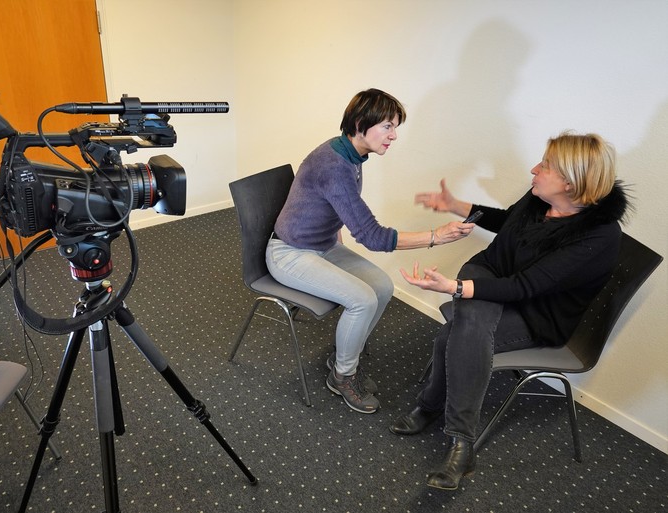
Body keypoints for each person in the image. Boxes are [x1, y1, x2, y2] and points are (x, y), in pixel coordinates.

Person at [392, 132, 630, 490]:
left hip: (536, 313)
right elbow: (508, 223)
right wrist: (457, 205)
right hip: (487, 273)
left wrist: (454, 288)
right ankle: (459, 442)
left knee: (457, 331)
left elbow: (525, 287)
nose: (534, 169)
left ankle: (438, 416)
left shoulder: (599, 236)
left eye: (545, 166)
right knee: (468, 325)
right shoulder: (540, 197)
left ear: (571, 181)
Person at [266, 88, 475, 414]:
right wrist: (437, 235)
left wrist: (334, 232)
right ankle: (342, 375)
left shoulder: (350, 154)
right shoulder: (334, 165)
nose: (393, 136)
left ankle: (344, 356)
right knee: (361, 299)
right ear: (361, 123)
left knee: (381, 287)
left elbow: (325, 201)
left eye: (395, 127)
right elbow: (372, 237)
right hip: (290, 253)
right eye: (388, 127)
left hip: (323, 245)